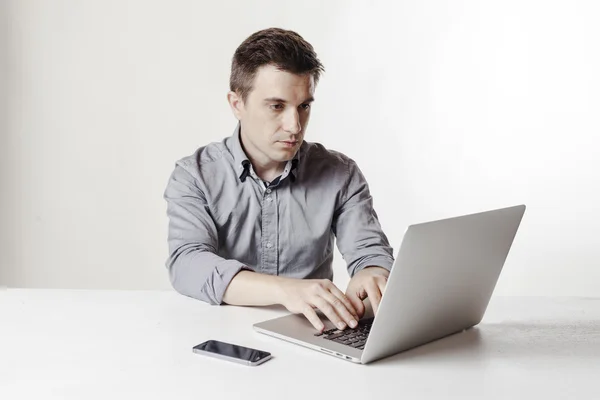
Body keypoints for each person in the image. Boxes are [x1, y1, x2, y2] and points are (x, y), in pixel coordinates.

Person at [164, 28, 394, 333]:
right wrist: (286, 291)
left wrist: (372, 272)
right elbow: (187, 265)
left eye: (304, 106)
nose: (294, 126)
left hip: (315, 335)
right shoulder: (195, 176)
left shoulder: (341, 174)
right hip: (223, 337)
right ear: (237, 104)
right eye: (277, 106)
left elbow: (370, 252)